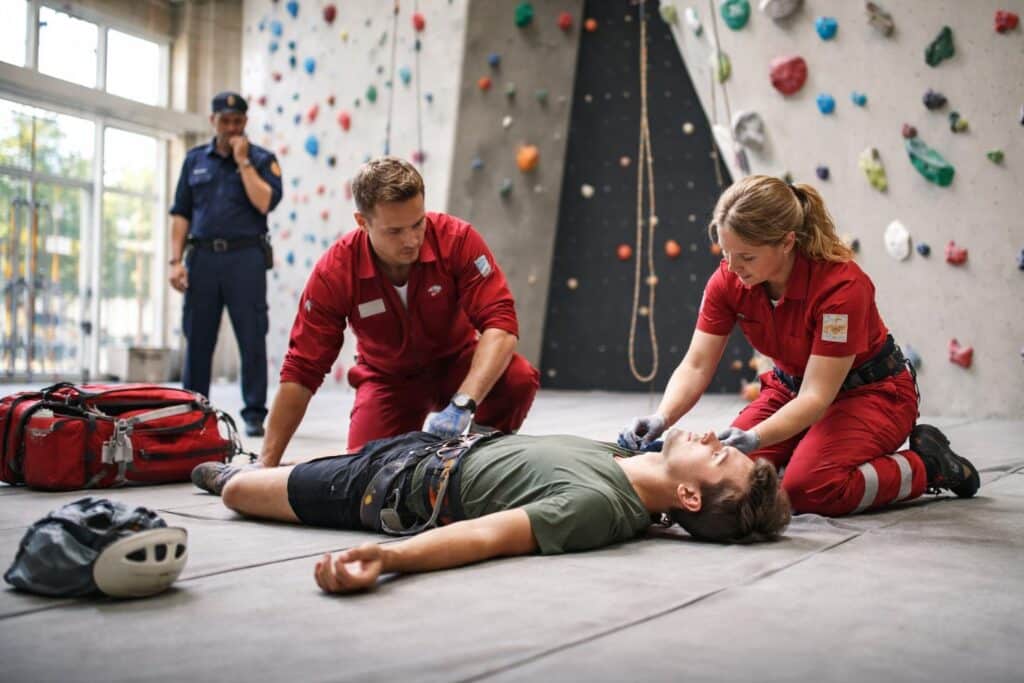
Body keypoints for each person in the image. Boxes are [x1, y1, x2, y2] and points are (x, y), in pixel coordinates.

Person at [619, 175, 979, 517]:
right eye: (727, 253)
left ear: (788, 242)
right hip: (790, 391)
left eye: (746, 256)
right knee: (730, 479)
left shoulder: (842, 288)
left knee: (809, 488)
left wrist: (757, 435)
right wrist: (663, 417)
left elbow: (816, 396)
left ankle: (928, 466)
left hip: (871, 394)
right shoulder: (729, 279)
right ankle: (808, 451)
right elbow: (696, 365)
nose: (733, 267)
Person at [191, 427, 792, 594]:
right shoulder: (626, 461)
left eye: (717, 458)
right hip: (430, 447)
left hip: (391, 491)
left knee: (240, 495)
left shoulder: (596, 507)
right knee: (310, 466)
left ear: (689, 497)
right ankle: (266, 473)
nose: (714, 438)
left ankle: (234, 475)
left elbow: (486, 536)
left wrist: (390, 558)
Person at [258, 156, 539, 466]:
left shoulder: (457, 240)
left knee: (517, 377)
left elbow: (500, 324)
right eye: (394, 231)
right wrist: (266, 464)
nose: (411, 240)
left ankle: (481, 456)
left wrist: (463, 403)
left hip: (456, 366)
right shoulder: (336, 271)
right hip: (388, 381)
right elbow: (302, 369)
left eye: (418, 223)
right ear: (362, 223)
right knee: (365, 473)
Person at [168, 91, 283, 437]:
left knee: (252, 338)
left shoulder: (262, 159)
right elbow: (181, 214)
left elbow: (264, 203)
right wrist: (175, 261)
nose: (231, 127)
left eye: (238, 121)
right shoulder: (194, 161)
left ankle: (253, 413)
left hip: (245, 258)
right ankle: (194, 409)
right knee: (198, 337)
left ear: (245, 122)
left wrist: (243, 161)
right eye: (225, 120)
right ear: (212, 120)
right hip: (201, 257)